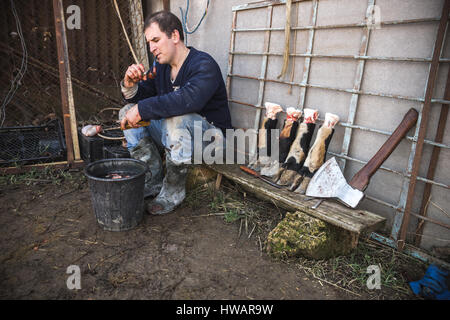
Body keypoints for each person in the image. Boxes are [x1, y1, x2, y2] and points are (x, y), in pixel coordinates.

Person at [119, 10, 232, 215]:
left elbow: (187, 100)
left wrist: (143, 109)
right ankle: (152, 180)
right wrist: (130, 86)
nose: (151, 48)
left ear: (174, 36)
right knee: (126, 112)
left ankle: (172, 191)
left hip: (212, 142)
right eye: (149, 42)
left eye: (155, 40)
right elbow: (144, 97)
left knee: (176, 119)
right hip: (178, 136)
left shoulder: (204, 65)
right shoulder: (161, 67)